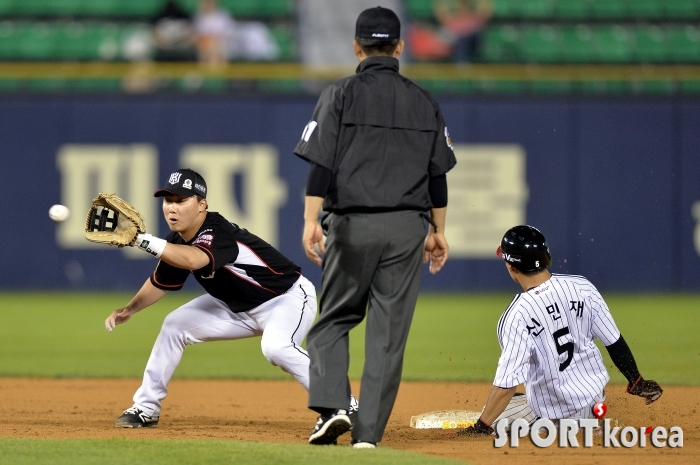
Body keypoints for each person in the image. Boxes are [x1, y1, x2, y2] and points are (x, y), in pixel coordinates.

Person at [294, 6, 457, 448]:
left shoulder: (340, 93)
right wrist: (437, 230)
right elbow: (437, 174)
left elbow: (320, 162)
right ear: (400, 47)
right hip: (407, 228)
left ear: (356, 46)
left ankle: (332, 410)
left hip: (352, 225)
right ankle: (368, 438)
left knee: (332, 323)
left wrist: (311, 221)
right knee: (387, 337)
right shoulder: (424, 100)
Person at [107, 168, 322, 428]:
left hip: (286, 298)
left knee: (276, 348)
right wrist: (130, 309)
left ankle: (342, 404)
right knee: (175, 325)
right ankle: (146, 407)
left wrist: (141, 240)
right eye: (168, 201)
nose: (172, 208)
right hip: (237, 308)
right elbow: (160, 281)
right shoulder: (177, 240)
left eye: (181, 200)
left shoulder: (218, 230)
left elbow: (194, 259)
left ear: (202, 205)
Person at [458, 225, 663, 437]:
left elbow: (507, 384)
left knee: (494, 413)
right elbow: (614, 342)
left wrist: (481, 427)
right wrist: (637, 381)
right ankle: (593, 425)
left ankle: (553, 431)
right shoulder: (582, 287)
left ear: (510, 266)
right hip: (593, 406)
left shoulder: (517, 315)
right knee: (519, 400)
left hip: (553, 419)